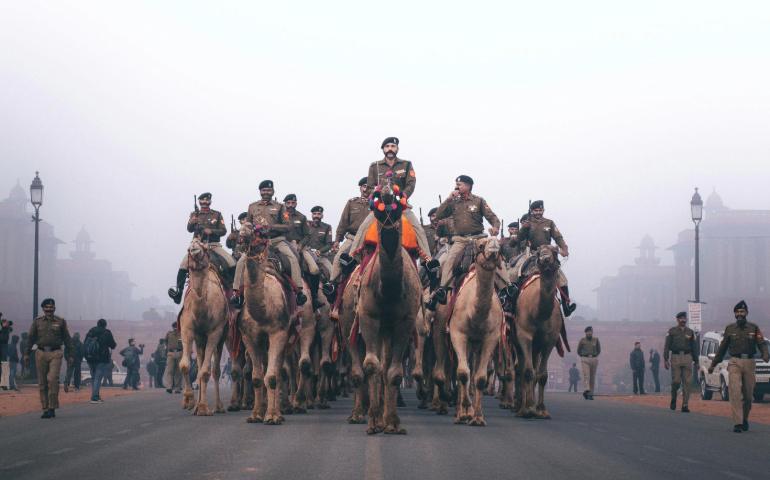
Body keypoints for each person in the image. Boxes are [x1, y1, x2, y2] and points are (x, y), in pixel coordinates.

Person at [426, 175, 515, 312]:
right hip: (460, 239)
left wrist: (496, 228)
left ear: (468, 186)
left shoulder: (479, 201)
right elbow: (438, 215)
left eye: (460, 184)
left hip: (479, 237)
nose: (457, 187)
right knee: (450, 259)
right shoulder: (453, 202)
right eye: (456, 184)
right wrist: (448, 199)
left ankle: (507, 287)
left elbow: (492, 217)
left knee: (494, 254)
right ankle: (443, 289)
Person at [345, 137, 434, 264]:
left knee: (418, 229)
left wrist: (403, 195)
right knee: (363, 227)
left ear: (397, 149)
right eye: (387, 147)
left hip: (400, 206)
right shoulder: (374, 166)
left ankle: (428, 261)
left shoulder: (406, 164)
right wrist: (376, 195)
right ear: (383, 149)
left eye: (393, 146)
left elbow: (411, 183)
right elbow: (370, 188)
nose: (390, 149)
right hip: (381, 206)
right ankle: (351, 257)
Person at [231, 180, 307, 307]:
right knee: (240, 262)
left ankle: (299, 291)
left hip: (276, 241)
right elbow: (248, 224)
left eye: (268, 190)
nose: (266, 192)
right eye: (264, 190)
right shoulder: (252, 206)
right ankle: (237, 294)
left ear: (273, 192)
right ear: (260, 192)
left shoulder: (280, 207)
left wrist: (270, 227)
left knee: (292, 258)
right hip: (257, 242)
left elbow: (287, 226)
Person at [708, 300, 769, 432]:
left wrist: (765, 354)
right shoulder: (730, 329)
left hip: (749, 363)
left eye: (742, 311)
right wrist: (713, 365)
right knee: (735, 391)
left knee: (748, 396)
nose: (740, 314)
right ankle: (737, 423)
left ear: (746, 313)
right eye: (738, 312)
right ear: (735, 314)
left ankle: (744, 418)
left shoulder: (754, 328)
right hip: (734, 362)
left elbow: (762, 343)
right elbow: (722, 348)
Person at [168, 192, 236, 304]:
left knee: (231, 262)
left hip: (213, 245)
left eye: (207, 201)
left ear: (210, 202)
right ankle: (178, 292)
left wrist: (212, 231)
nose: (205, 203)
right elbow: (189, 229)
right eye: (202, 201)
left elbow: (223, 231)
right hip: (197, 244)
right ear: (199, 202)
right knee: (183, 265)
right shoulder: (194, 214)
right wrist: (192, 222)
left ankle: (234, 293)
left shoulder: (217, 214)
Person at [516, 200, 576, 317]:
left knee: (563, 280)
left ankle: (566, 306)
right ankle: (513, 304)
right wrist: (524, 228)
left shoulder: (549, 223)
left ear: (543, 210)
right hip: (533, 254)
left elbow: (558, 237)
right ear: (532, 211)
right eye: (536, 210)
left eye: (540, 210)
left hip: (548, 254)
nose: (538, 212)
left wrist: (564, 248)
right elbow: (517, 240)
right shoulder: (528, 224)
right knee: (515, 274)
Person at [23, 298, 75, 418]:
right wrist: (26, 354)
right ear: (43, 309)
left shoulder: (61, 321)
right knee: (42, 383)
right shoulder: (37, 322)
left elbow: (67, 339)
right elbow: (30, 338)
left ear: (54, 308)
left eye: (51, 307)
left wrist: (71, 355)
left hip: (56, 352)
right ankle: (45, 408)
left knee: (52, 379)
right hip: (40, 352)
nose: (49, 310)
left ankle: (52, 407)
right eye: (47, 308)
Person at [322, 177, 372, 301]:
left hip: (370, 240)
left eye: (369, 187)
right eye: (364, 186)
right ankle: (332, 283)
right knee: (339, 256)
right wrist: (337, 240)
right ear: (360, 188)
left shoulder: (377, 204)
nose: (366, 189)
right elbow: (343, 223)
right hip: (352, 238)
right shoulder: (352, 203)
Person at [284, 194, 323, 310]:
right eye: (288, 203)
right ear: (285, 203)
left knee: (315, 269)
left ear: (296, 203)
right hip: (283, 244)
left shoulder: (302, 217)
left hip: (300, 246)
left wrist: (300, 245)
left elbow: (307, 235)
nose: (290, 205)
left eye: (293, 203)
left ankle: (315, 298)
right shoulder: (280, 216)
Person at [664, 311, 697, 413]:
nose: (683, 320)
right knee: (676, 381)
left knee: (687, 382)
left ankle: (685, 405)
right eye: (681, 319)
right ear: (677, 320)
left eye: (684, 318)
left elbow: (694, 347)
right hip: (675, 357)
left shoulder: (690, 332)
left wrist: (696, 360)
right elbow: (667, 346)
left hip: (687, 357)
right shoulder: (672, 331)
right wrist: (666, 359)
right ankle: (674, 397)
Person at [84, 318, 117, 403]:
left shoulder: (91, 331)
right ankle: (95, 397)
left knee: (93, 377)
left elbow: (85, 344)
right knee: (98, 378)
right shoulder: (107, 333)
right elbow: (113, 345)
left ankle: (95, 396)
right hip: (101, 359)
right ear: (105, 325)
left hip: (90, 358)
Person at [305, 205, 334, 280]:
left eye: (318, 214)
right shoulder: (306, 225)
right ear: (312, 215)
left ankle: (332, 289)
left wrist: (320, 251)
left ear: (322, 215)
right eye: (314, 214)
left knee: (333, 273)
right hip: (307, 254)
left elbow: (329, 244)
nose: (316, 216)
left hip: (321, 256)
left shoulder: (327, 227)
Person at [577, 326, 600, 400]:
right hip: (585, 359)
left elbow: (599, 350)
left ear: (592, 332)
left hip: (593, 358)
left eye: (591, 331)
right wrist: (582, 356)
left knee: (592, 377)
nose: (589, 333)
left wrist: (595, 355)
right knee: (586, 375)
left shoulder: (596, 340)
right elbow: (578, 350)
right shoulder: (582, 340)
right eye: (588, 332)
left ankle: (591, 394)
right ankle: (587, 389)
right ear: (586, 333)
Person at [164, 322, 183, 394]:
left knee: (178, 371)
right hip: (171, 353)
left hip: (179, 353)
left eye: (177, 327)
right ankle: (169, 387)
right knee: (170, 371)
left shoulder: (182, 334)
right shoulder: (169, 334)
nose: (175, 328)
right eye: (175, 327)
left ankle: (177, 388)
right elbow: (165, 342)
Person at [0, 315, 11, 389]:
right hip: (3, 348)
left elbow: (10, 324)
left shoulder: (6, 329)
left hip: (3, 348)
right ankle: (4, 384)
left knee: (4, 366)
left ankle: (4, 384)